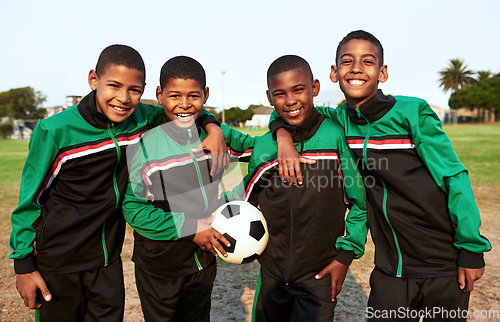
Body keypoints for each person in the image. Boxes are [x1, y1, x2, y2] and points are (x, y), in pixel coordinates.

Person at [271, 30, 491, 321]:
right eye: (347, 61)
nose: (357, 68)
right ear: (335, 73)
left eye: (368, 61)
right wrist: (282, 135)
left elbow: (454, 177)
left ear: (382, 73)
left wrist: (471, 248)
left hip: (441, 263)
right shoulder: (339, 120)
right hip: (391, 268)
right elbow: (292, 110)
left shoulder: (412, 113)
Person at [8, 45, 226, 321]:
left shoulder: (140, 118)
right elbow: (30, 201)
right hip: (58, 263)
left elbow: (183, 109)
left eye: (134, 90)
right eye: (114, 86)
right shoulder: (55, 131)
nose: (123, 98)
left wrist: (212, 126)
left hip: (107, 261)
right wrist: (24, 265)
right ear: (93, 80)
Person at [224, 55, 367, 321]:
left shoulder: (335, 137)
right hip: (272, 275)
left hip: (319, 275)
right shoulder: (266, 147)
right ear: (269, 97)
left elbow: (359, 202)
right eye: (280, 94)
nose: (290, 101)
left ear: (315, 88)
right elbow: (243, 197)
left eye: (298, 90)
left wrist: (345, 256)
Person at [122, 55, 258, 322]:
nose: (184, 105)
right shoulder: (145, 147)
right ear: (160, 95)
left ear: (206, 94)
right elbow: (134, 209)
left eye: (193, 96)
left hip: (203, 262)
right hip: (159, 267)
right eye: (175, 96)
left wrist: (232, 202)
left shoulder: (218, 136)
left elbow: (261, 152)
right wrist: (191, 227)